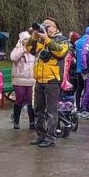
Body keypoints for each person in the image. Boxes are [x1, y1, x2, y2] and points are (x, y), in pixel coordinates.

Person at [29, 18, 70, 147]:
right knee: (38, 109)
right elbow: (29, 49)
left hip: (52, 80)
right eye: (44, 25)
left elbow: (60, 52)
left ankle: (51, 137)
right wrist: (35, 36)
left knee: (51, 111)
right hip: (39, 79)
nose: (46, 28)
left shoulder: (62, 40)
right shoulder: (40, 40)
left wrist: (47, 39)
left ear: (56, 28)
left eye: (50, 26)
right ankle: (41, 135)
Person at [10, 31, 37, 130]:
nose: (27, 41)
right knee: (19, 100)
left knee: (31, 101)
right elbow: (13, 57)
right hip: (19, 80)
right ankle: (16, 121)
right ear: (21, 40)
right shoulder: (18, 49)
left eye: (28, 39)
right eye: (25, 39)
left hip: (31, 80)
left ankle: (32, 122)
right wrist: (22, 50)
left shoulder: (33, 50)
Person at [74, 26, 89, 106]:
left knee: (79, 88)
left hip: (78, 69)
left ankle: (77, 106)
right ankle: (84, 107)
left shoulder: (77, 42)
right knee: (87, 89)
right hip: (87, 69)